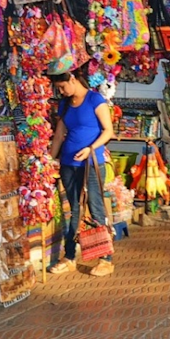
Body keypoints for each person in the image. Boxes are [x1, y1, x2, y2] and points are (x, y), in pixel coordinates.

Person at [47, 70, 114, 277]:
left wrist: (91, 149)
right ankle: (69, 257)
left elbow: (108, 130)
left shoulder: (95, 99)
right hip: (68, 164)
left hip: (91, 164)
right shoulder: (65, 104)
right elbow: (59, 135)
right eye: (58, 88)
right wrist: (50, 160)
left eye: (62, 86)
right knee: (73, 209)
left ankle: (105, 259)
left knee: (95, 208)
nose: (61, 91)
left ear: (73, 79)